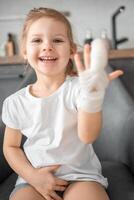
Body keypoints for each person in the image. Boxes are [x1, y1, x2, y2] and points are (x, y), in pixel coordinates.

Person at [2, 7, 123, 200]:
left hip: (81, 177)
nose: (47, 46)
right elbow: (10, 147)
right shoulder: (15, 102)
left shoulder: (78, 89)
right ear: (25, 51)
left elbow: (87, 135)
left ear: (71, 50)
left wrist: (92, 97)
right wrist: (32, 176)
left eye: (57, 40)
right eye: (37, 40)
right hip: (33, 180)